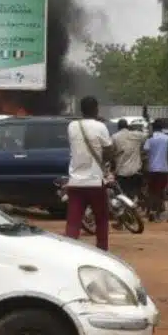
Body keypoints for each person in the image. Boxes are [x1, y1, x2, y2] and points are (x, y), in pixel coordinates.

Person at [65, 96, 113, 251]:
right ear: (96, 109)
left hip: (75, 182)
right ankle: (102, 251)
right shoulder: (100, 127)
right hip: (95, 181)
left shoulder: (72, 126)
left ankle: (70, 253)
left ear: (81, 109)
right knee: (101, 219)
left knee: (73, 222)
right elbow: (109, 150)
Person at [111, 118, 147, 203]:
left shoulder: (114, 137)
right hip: (135, 171)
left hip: (121, 172)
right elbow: (147, 136)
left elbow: (111, 153)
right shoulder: (137, 135)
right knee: (132, 194)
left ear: (118, 127)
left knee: (121, 196)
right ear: (127, 126)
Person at [143, 120, 168, 221]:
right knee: (160, 191)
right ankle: (158, 214)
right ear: (162, 128)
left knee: (151, 191)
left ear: (153, 128)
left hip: (151, 168)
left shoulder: (150, 138)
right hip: (164, 168)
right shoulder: (167, 138)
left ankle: (150, 211)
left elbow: (145, 150)